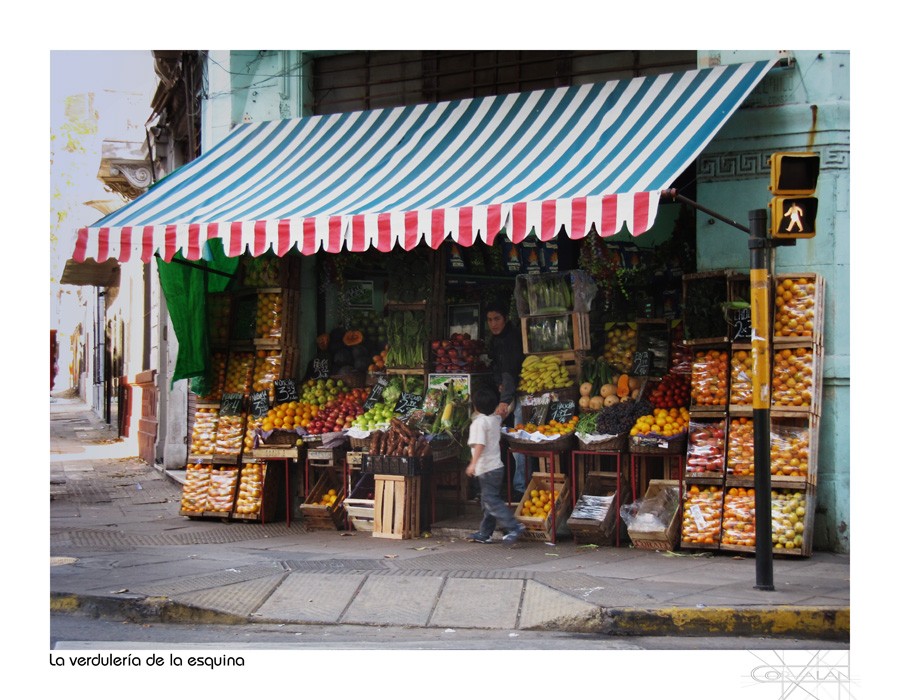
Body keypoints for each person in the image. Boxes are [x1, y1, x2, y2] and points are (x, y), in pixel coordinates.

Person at [465, 387, 526, 544]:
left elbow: (479, 444)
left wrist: (473, 464)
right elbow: (503, 414)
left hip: (486, 469)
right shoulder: (494, 419)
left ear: (475, 407)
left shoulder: (478, 423)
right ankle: (485, 533)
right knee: (488, 502)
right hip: (497, 467)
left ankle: (513, 526)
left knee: (491, 501)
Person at [485, 300, 527, 500]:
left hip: (519, 393)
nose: (493, 324)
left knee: (520, 440)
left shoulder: (510, 339)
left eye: (497, 319)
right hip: (509, 392)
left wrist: (505, 399)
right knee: (512, 439)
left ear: (506, 318)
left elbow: (510, 371)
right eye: (490, 320)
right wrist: (498, 382)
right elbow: (498, 368)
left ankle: (520, 487)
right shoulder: (496, 339)